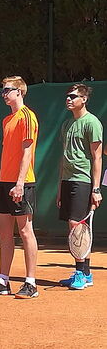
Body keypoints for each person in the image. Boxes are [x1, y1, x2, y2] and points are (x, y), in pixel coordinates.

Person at [0, 76, 39, 299]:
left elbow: (27, 152)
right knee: (4, 233)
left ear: (19, 92)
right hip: (4, 182)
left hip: (22, 182)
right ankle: (3, 281)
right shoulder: (7, 120)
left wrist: (20, 183)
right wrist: (7, 182)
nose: (3, 94)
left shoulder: (28, 117)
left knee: (25, 231)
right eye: (2, 91)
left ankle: (31, 284)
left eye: (7, 90)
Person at [58, 84, 102, 290]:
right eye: (67, 96)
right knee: (77, 227)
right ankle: (86, 273)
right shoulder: (67, 124)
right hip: (67, 180)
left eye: (73, 96)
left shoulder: (92, 123)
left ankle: (79, 272)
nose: (69, 99)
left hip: (83, 180)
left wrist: (96, 189)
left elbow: (97, 157)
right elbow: (63, 157)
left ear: (84, 99)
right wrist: (59, 187)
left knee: (76, 225)